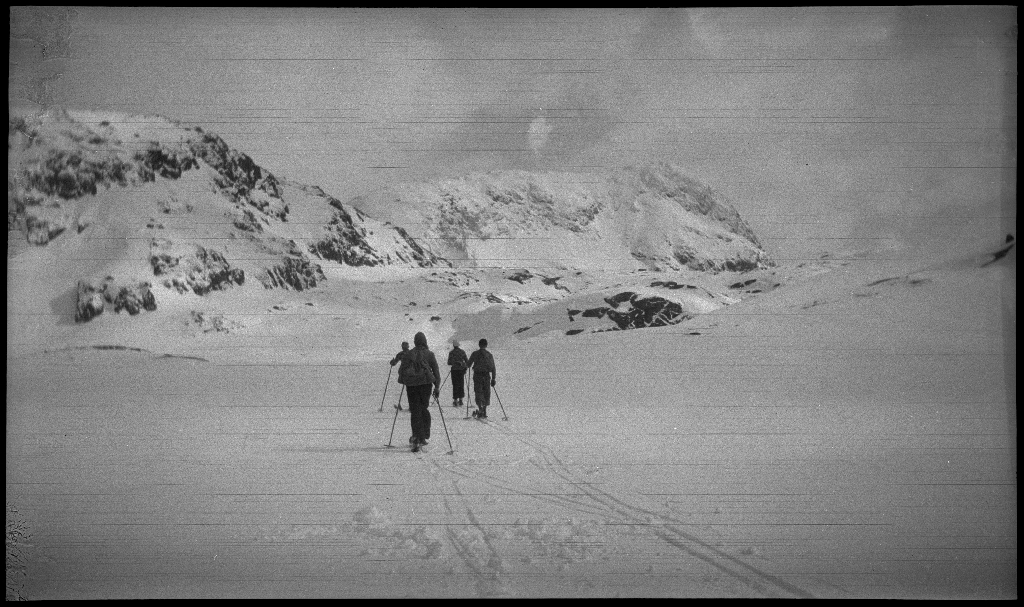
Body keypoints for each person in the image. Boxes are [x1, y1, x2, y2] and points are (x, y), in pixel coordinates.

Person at [399, 332, 441, 452]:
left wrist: (405, 381)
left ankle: (416, 436)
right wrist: (437, 387)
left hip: (411, 386)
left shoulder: (409, 354)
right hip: (426, 384)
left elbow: (401, 371)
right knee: (423, 408)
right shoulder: (429, 354)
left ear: (415, 341)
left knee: (415, 410)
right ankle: (423, 435)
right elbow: (436, 372)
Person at [467, 338, 496, 419]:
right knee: (486, 392)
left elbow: (468, 364)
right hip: (487, 376)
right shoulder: (489, 355)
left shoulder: (475, 354)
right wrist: (493, 378)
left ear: (479, 345)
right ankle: (484, 409)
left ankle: (480, 408)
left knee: (478, 392)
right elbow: (493, 368)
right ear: (486, 345)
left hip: (477, 375)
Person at [447, 340, 469, 407]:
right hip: (461, 371)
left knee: (455, 385)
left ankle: (455, 400)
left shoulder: (451, 353)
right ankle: (461, 400)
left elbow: (449, 362)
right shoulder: (462, 352)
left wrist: (454, 362)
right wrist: (464, 366)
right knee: (461, 384)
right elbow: (467, 361)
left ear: (453, 345)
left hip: (454, 371)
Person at [389, 341, 410, 410]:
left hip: (404, 373)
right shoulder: (412, 353)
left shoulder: (401, 354)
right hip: (411, 374)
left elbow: (394, 363)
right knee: (410, 389)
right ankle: (412, 405)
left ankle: (411, 406)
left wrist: (391, 362)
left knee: (408, 389)